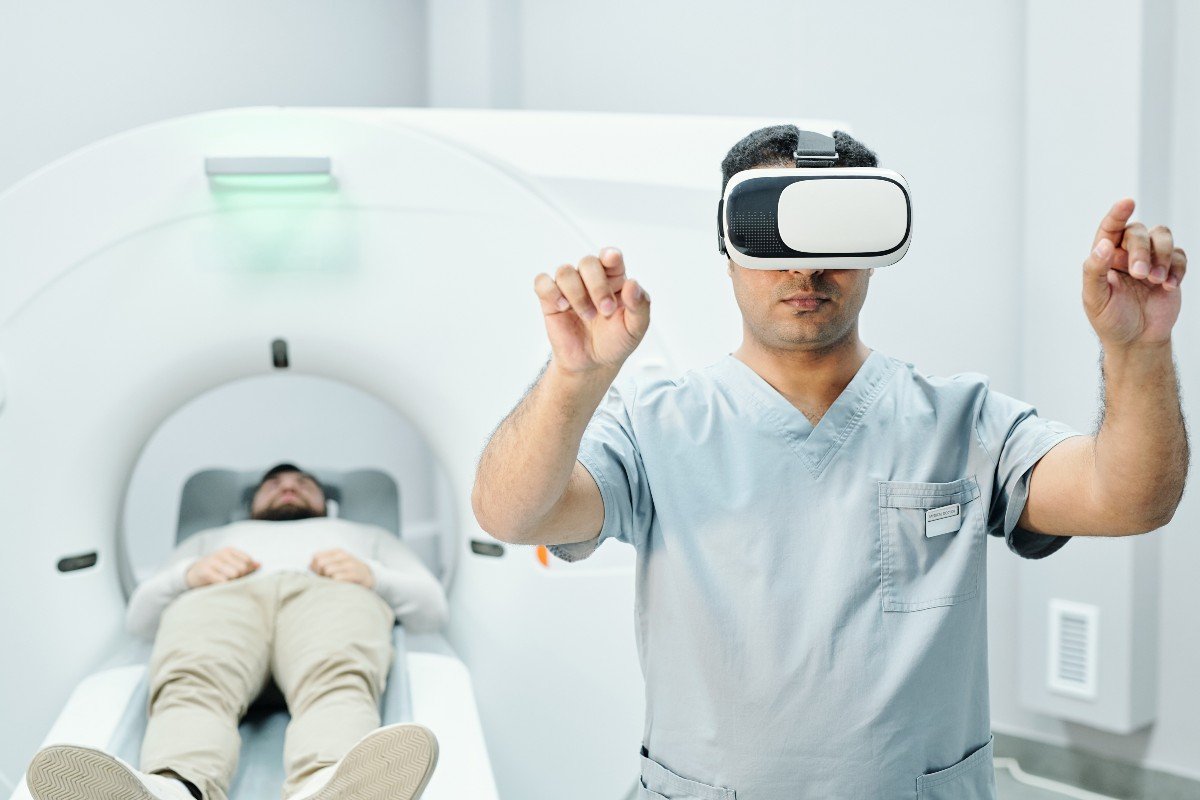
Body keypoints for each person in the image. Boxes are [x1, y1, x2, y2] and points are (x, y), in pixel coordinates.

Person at [471, 126, 1189, 799]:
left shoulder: (963, 422)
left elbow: (1129, 499)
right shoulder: (653, 427)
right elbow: (511, 515)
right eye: (773, 236)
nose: (806, 268)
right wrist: (574, 379)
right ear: (729, 246)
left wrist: (1138, 351)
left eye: (834, 235)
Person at [26, 463, 446, 800]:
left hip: (329, 594)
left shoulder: (366, 537)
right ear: (251, 502)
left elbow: (432, 609)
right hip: (224, 597)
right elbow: (140, 618)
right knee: (193, 683)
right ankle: (177, 789)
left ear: (327, 503)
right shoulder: (213, 539)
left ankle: (326, 786)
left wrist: (371, 575)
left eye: (303, 483)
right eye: (274, 484)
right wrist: (189, 574)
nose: (289, 487)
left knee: (338, 680)